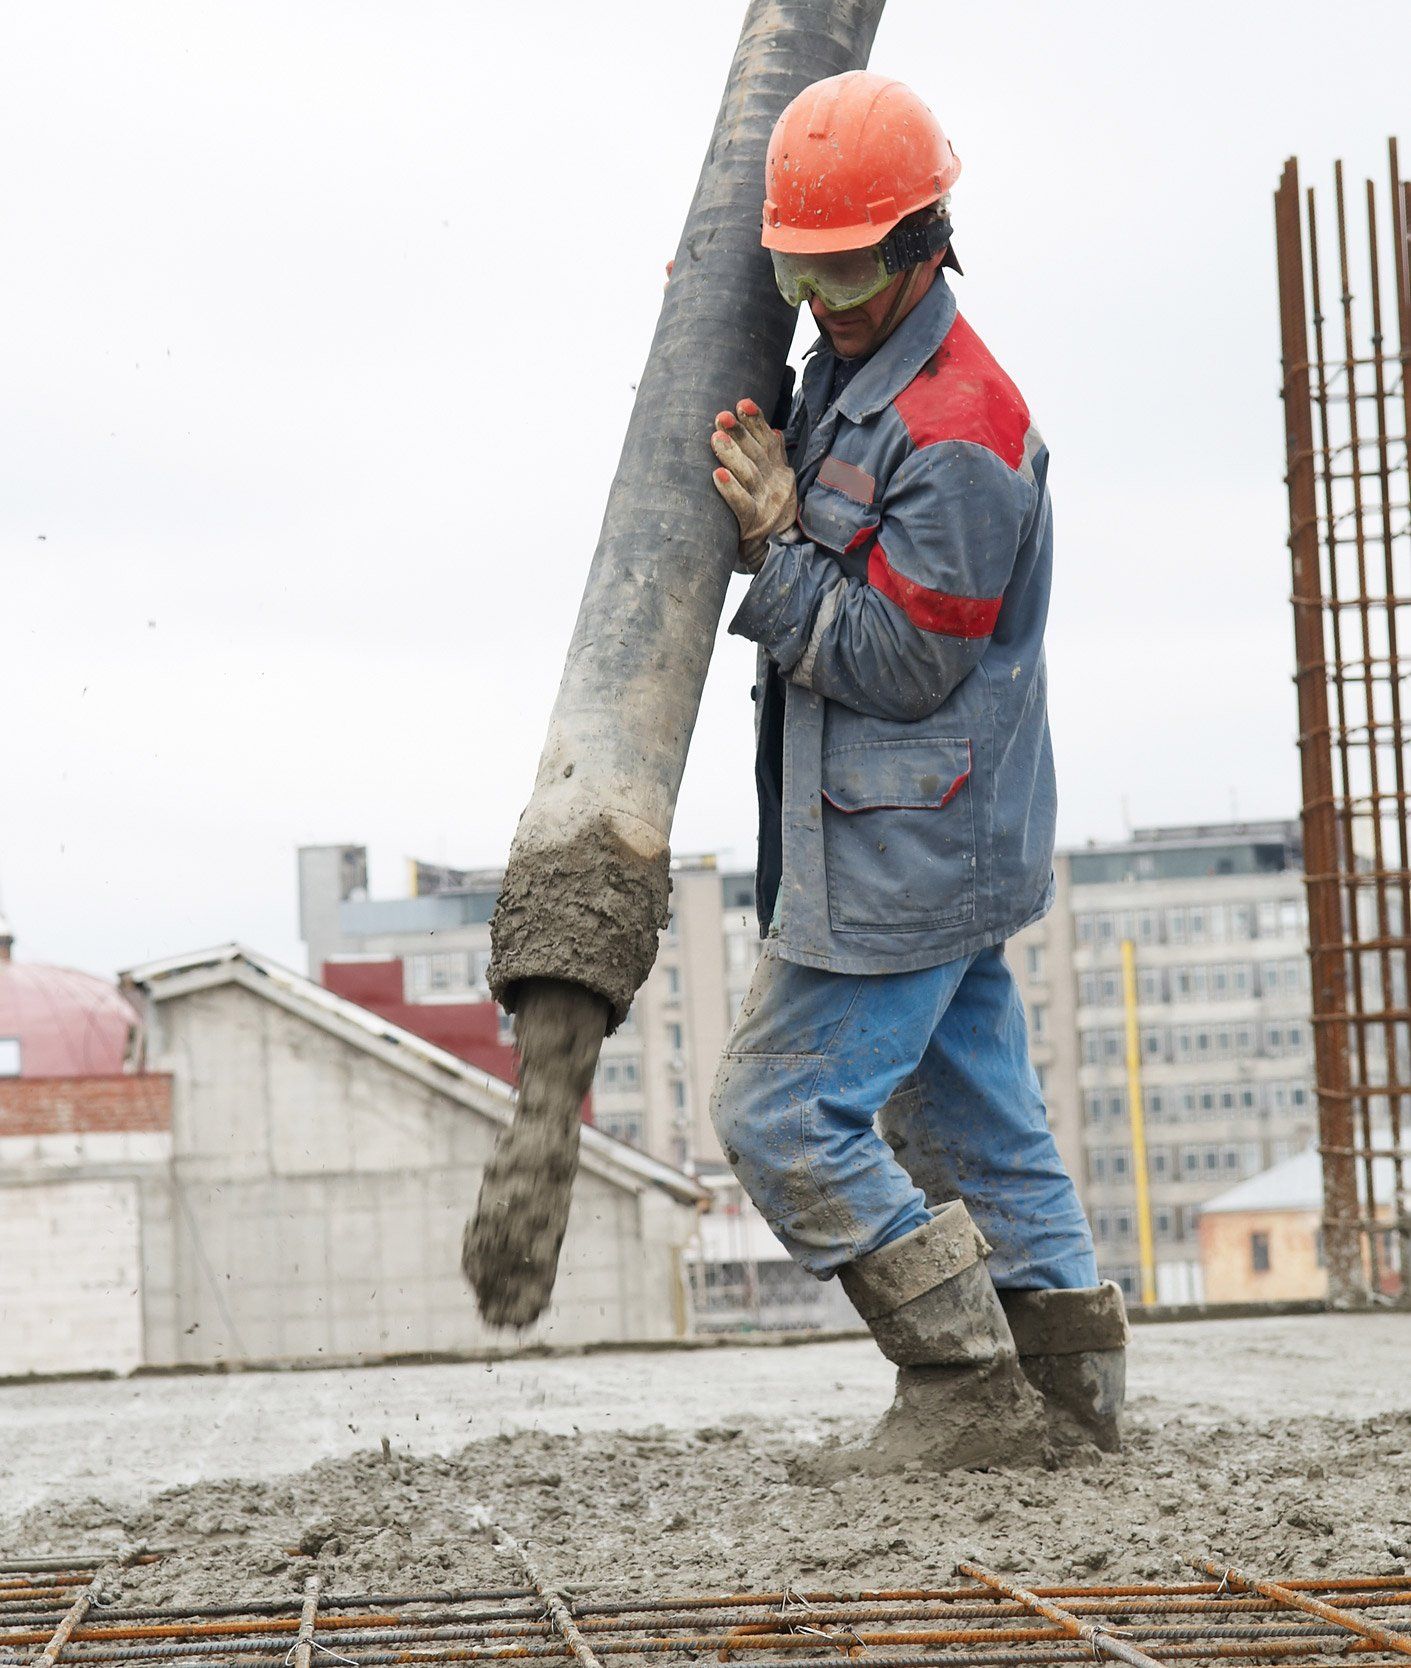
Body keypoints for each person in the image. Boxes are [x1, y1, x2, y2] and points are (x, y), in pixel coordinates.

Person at [706, 71, 1126, 1473]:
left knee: (780, 1111)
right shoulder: (855, 363)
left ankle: (963, 1388)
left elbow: (900, 663)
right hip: (924, 831)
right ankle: (1072, 1405)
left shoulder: (961, 432)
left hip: (908, 847)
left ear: (926, 243)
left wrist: (776, 549)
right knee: (970, 1118)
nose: (819, 304)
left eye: (847, 273)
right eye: (798, 274)